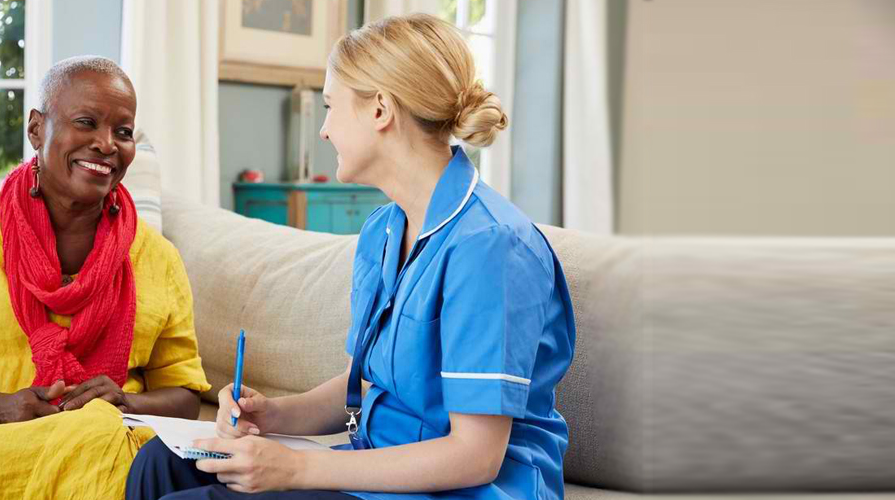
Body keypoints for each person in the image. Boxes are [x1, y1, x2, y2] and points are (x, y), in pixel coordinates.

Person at [126, 13, 575, 500]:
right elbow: (360, 387)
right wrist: (272, 415)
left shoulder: (492, 247)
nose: (323, 130)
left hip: (463, 489)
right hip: (376, 469)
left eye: (330, 106)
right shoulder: (382, 232)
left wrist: (294, 468)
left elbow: (474, 457)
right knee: (161, 463)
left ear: (380, 109)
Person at [0, 55, 209, 500]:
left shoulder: (158, 257)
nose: (106, 144)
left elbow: (184, 394)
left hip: (101, 438)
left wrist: (124, 401)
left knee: (102, 439)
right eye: (86, 122)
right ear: (37, 128)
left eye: (123, 131)